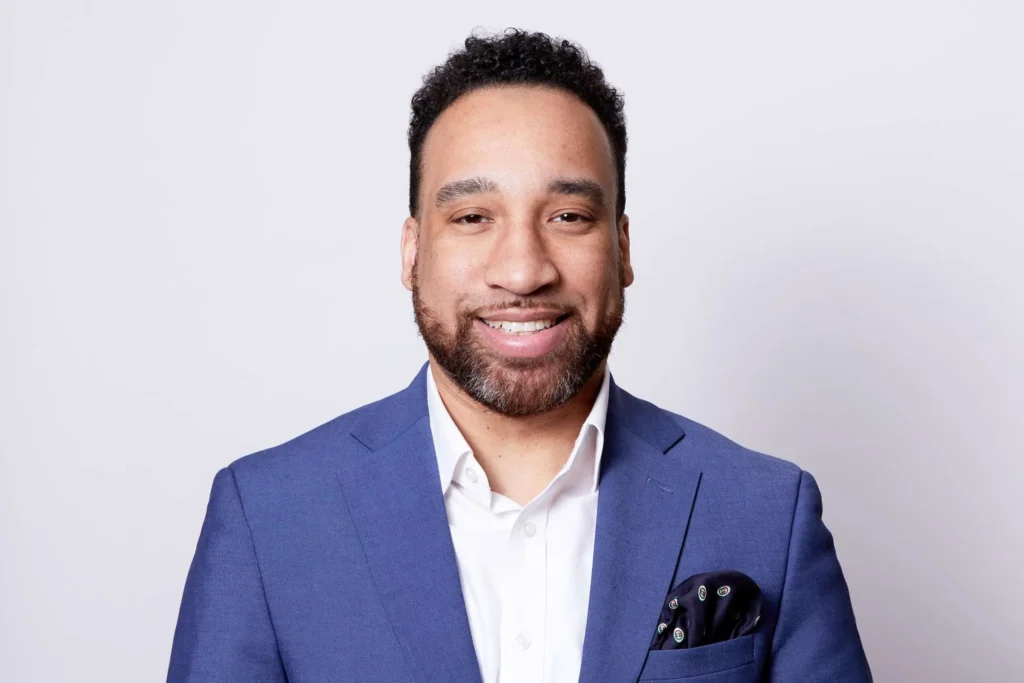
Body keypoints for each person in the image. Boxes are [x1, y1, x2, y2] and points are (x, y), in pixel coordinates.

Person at [167, 29, 871, 683]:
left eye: (568, 217)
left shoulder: (765, 511)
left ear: (622, 248)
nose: (524, 268)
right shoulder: (268, 516)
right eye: (473, 217)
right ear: (413, 251)